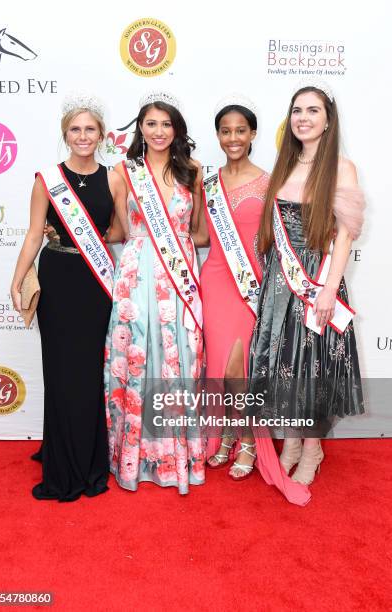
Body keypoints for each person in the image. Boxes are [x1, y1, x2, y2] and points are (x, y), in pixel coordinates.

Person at [195, 95, 310, 506]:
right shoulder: (205, 181)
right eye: (225, 131)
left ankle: (246, 440)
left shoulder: (269, 181)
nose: (232, 138)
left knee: (240, 368)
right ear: (218, 136)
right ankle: (224, 434)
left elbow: (279, 237)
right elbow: (202, 236)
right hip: (214, 280)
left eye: (240, 130)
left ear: (253, 134)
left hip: (252, 284)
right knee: (220, 365)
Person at [11, 93, 126, 501]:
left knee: (86, 370)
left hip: (95, 282)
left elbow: (120, 232)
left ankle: (90, 457)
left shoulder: (114, 178)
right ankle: (63, 458)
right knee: (60, 371)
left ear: (101, 134)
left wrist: (87, 236)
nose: (82, 136)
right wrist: (18, 276)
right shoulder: (48, 179)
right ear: (65, 134)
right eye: (75, 129)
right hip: (57, 279)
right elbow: (31, 233)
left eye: (89, 129)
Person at [249, 80, 365, 485]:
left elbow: (346, 234)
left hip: (317, 279)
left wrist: (330, 289)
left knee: (312, 367)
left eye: (313, 110)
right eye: (297, 110)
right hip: (281, 282)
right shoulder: (284, 164)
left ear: (328, 119)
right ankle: (293, 441)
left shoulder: (341, 168)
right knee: (286, 366)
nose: (303, 118)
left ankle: (313, 449)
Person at [104, 91, 206, 495]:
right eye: (151, 123)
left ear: (177, 128)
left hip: (178, 275)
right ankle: (132, 455)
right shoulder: (122, 172)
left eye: (167, 123)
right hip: (136, 276)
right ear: (140, 128)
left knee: (178, 357)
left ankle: (175, 454)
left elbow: (199, 233)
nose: (159, 131)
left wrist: (179, 245)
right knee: (137, 357)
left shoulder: (194, 171)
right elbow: (116, 230)